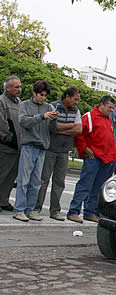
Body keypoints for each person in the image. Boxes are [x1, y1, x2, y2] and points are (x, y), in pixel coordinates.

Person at [34, 87, 82, 221]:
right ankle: (36, 208)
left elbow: (79, 129)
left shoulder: (76, 111)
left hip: (64, 150)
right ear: (67, 96)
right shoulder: (52, 107)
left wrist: (61, 128)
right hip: (50, 148)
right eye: (75, 99)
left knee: (59, 182)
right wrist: (70, 126)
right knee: (43, 180)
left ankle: (55, 211)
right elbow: (51, 127)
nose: (77, 102)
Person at [13, 80, 58, 222]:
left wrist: (54, 119)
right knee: (23, 180)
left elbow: (52, 129)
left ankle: (30, 209)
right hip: (28, 146)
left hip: (42, 148)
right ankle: (19, 209)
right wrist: (42, 116)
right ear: (34, 93)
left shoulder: (49, 106)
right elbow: (24, 122)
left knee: (35, 182)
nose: (43, 98)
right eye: (41, 95)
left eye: (45, 95)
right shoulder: (25, 105)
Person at [67, 96, 116, 224]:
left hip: (106, 159)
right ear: (102, 105)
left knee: (97, 188)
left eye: (112, 108)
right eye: (109, 107)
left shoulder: (108, 120)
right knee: (85, 184)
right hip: (93, 158)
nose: (111, 110)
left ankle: (90, 212)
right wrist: (85, 149)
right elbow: (79, 133)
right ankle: (74, 211)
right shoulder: (89, 116)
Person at [0, 76, 22, 212]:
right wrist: (9, 138)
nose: (19, 89)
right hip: (6, 146)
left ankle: (3, 200)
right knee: (2, 174)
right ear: (7, 88)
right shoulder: (1, 102)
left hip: (18, 147)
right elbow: (2, 124)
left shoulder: (19, 102)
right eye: (16, 87)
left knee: (10, 177)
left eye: (20, 86)